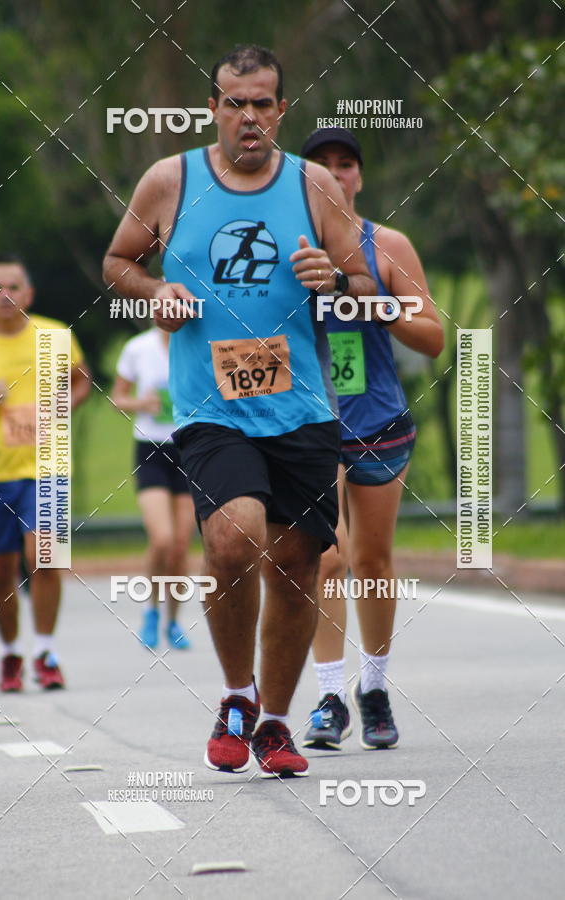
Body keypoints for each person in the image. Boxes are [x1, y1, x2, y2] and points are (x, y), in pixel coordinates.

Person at [103, 45, 377, 777]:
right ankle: (235, 696)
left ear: (281, 109)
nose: (248, 117)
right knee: (232, 540)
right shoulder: (171, 180)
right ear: (214, 108)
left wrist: (333, 279)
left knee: (297, 566)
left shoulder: (315, 186)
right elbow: (118, 262)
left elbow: (362, 283)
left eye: (262, 103)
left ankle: (277, 724)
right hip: (209, 407)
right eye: (234, 103)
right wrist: (152, 291)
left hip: (301, 409)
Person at [299, 128, 444, 752]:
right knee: (327, 558)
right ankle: (329, 696)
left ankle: (375, 687)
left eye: (346, 165)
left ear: (358, 176)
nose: (336, 175)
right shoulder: (285, 247)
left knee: (373, 561)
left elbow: (433, 336)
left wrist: (371, 303)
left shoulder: (387, 245)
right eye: (322, 166)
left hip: (377, 419)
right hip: (304, 421)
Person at [0, 254, 90, 692]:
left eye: (13, 287)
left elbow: (81, 380)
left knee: (45, 557)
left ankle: (45, 651)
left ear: (29, 294)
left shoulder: (53, 334)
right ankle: (10, 653)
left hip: (48, 466)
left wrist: (60, 409)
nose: (5, 295)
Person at [112, 326, 194, 650]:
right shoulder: (137, 347)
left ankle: (173, 620)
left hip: (189, 449)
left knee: (180, 545)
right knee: (162, 539)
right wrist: (138, 403)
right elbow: (117, 397)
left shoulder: (197, 342)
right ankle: (150, 611)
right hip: (151, 450)